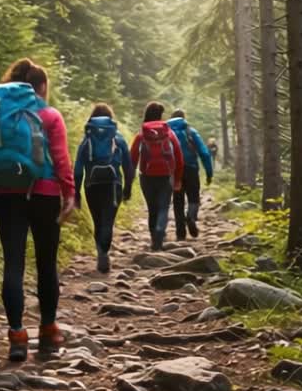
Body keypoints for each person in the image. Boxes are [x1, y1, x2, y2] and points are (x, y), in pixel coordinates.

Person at [0, 58, 76, 362]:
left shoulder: (0, 113)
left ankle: (17, 337)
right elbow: (61, 159)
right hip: (45, 194)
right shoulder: (49, 115)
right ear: (42, 86)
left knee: (13, 264)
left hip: (7, 194)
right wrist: (69, 193)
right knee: (46, 263)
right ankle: (48, 331)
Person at [74, 104, 135, 274]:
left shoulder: (86, 140)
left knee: (98, 221)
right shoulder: (118, 138)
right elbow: (128, 168)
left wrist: (76, 192)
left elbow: (78, 169)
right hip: (113, 184)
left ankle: (101, 253)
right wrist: (128, 188)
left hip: (91, 186)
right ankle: (104, 253)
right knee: (108, 221)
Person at [130, 102, 184, 251]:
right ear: (161, 115)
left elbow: (133, 156)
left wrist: (129, 178)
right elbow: (179, 157)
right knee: (163, 207)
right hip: (166, 176)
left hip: (146, 176)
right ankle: (160, 232)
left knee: (152, 208)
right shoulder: (169, 133)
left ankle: (154, 237)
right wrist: (178, 179)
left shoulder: (142, 134)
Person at [166, 109, 215, 240]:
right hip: (191, 169)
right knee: (194, 197)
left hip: (174, 170)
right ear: (184, 118)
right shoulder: (190, 131)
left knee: (178, 200)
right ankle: (191, 217)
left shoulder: (166, 132)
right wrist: (209, 173)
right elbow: (204, 153)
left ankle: (180, 233)